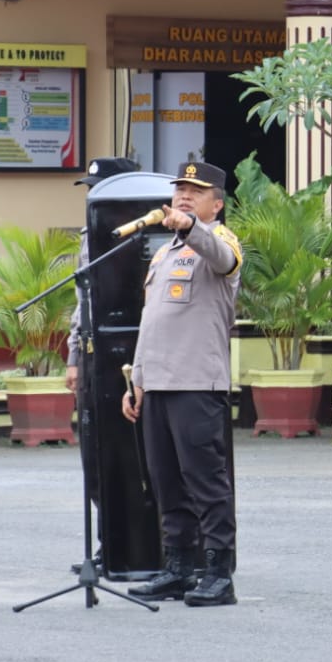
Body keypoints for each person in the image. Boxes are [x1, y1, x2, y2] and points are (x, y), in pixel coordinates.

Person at [124, 161, 243, 607]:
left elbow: (221, 256)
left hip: (197, 382)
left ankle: (217, 573)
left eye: (196, 190)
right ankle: (179, 567)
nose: (184, 195)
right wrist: (136, 379)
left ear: (217, 202)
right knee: (166, 482)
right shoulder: (163, 254)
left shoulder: (221, 242)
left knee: (206, 482)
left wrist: (193, 226)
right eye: (180, 189)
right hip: (157, 384)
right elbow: (149, 323)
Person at [66, 155, 143, 394]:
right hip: (97, 344)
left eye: (99, 188)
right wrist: (73, 357)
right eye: (90, 188)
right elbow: (83, 300)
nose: (92, 195)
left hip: (139, 344)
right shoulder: (90, 236)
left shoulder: (149, 232)